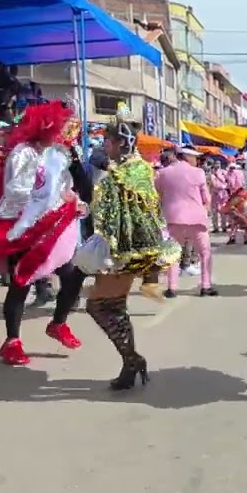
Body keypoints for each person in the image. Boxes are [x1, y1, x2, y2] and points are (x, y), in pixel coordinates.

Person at [0, 101, 89, 365]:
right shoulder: (22, 153)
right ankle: (12, 341)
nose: (62, 131)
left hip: (59, 226)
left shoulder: (62, 153)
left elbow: (84, 187)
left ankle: (58, 323)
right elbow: (18, 192)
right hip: (27, 226)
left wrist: (73, 164)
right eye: (58, 126)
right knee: (21, 282)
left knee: (74, 276)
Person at [73, 117, 180, 390]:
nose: (104, 146)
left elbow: (135, 210)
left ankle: (132, 360)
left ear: (121, 143)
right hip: (120, 247)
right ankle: (130, 364)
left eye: (107, 141)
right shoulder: (129, 168)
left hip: (125, 250)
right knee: (114, 307)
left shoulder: (132, 170)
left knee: (99, 306)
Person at [157, 146, 216, 297]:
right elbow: (206, 198)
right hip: (196, 218)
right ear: (187, 157)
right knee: (205, 252)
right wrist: (206, 210)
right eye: (195, 158)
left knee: (173, 254)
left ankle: (172, 287)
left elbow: (158, 194)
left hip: (173, 218)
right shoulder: (198, 173)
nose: (197, 161)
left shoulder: (163, 173)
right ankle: (206, 285)